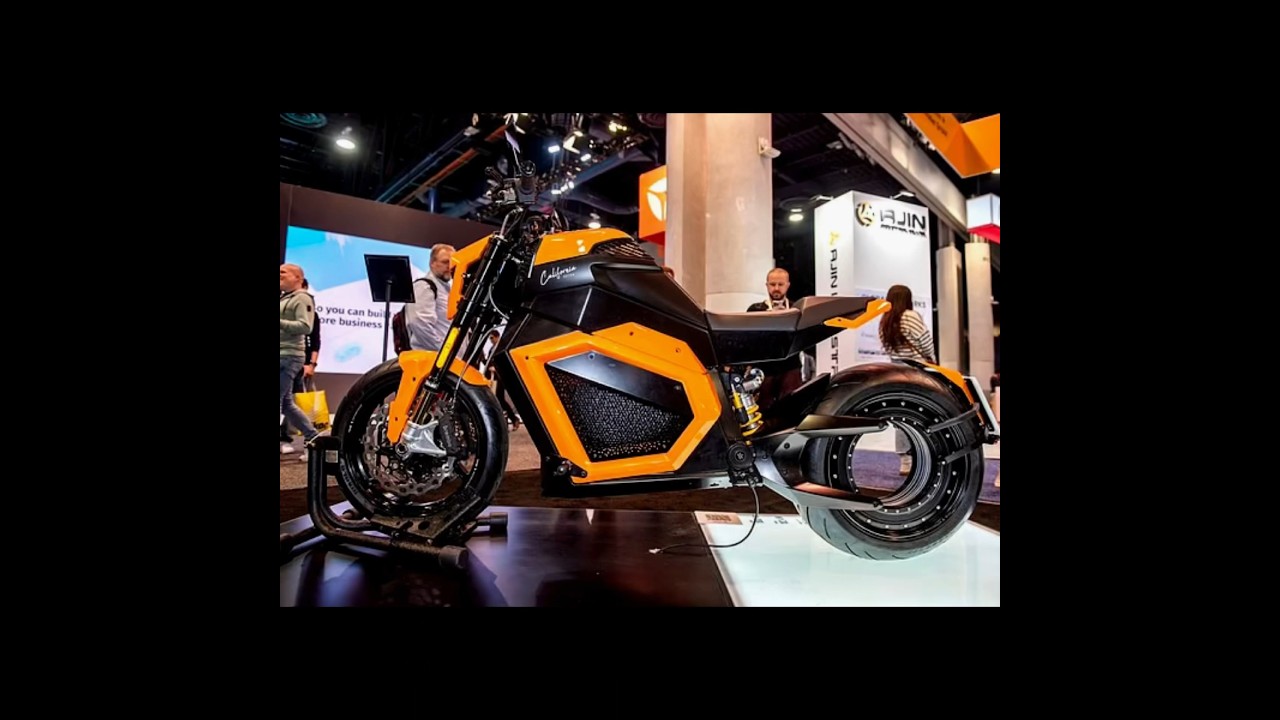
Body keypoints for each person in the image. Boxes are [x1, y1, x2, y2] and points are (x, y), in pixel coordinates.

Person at [878, 284, 936, 475]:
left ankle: (905, 460)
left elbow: (887, 347)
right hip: (916, 371)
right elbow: (926, 342)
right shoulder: (910, 316)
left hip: (897, 371)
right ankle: (924, 454)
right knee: (923, 412)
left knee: (902, 414)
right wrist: (932, 358)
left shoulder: (885, 320)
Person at [746, 268, 803, 411]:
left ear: (788, 285)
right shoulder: (755, 310)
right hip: (764, 369)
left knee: (792, 409)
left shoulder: (797, 309)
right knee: (763, 410)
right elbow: (748, 340)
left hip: (790, 367)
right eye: (772, 284)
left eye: (780, 284)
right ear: (766, 285)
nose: (776, 288)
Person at [280, 264, 321, 454]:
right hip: (284, 354)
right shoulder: (286, 297)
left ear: (298, 278)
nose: (279, 275)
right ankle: (313, 438)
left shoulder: (302, 298)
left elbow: (305, 326)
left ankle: (313, 438)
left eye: (283, 272)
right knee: (287, 404)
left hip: (288, 356)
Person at [405, 244, 455, 351]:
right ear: (432, 263)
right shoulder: (424, 286)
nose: (450, 266)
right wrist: (443, 350)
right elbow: (419, 322)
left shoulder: (448, 290)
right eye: (445, 262)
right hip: (433, 357)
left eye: (452, 262)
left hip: (445, 358)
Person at [483, 329, 521, 430]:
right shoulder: (492, 349)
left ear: (497, 337)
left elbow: (505, 362)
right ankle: (510, 419)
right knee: (498, 399)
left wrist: (496, 368)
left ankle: (512, 418)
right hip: (494, 377)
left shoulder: (501, 347)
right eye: (490, 339)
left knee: (499, 398)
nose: (491, 340)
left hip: (500, 377)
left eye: (492, 338)